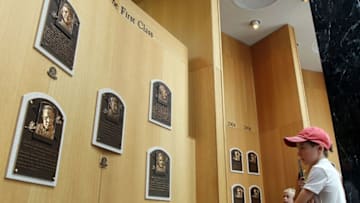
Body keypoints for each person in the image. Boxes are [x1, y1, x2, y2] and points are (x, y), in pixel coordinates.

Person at [283, 126, 346, 203]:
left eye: (302, 148)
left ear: (320, 149)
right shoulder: (328, 167)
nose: (298, 153)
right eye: (298, 148)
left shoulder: (320, 169)